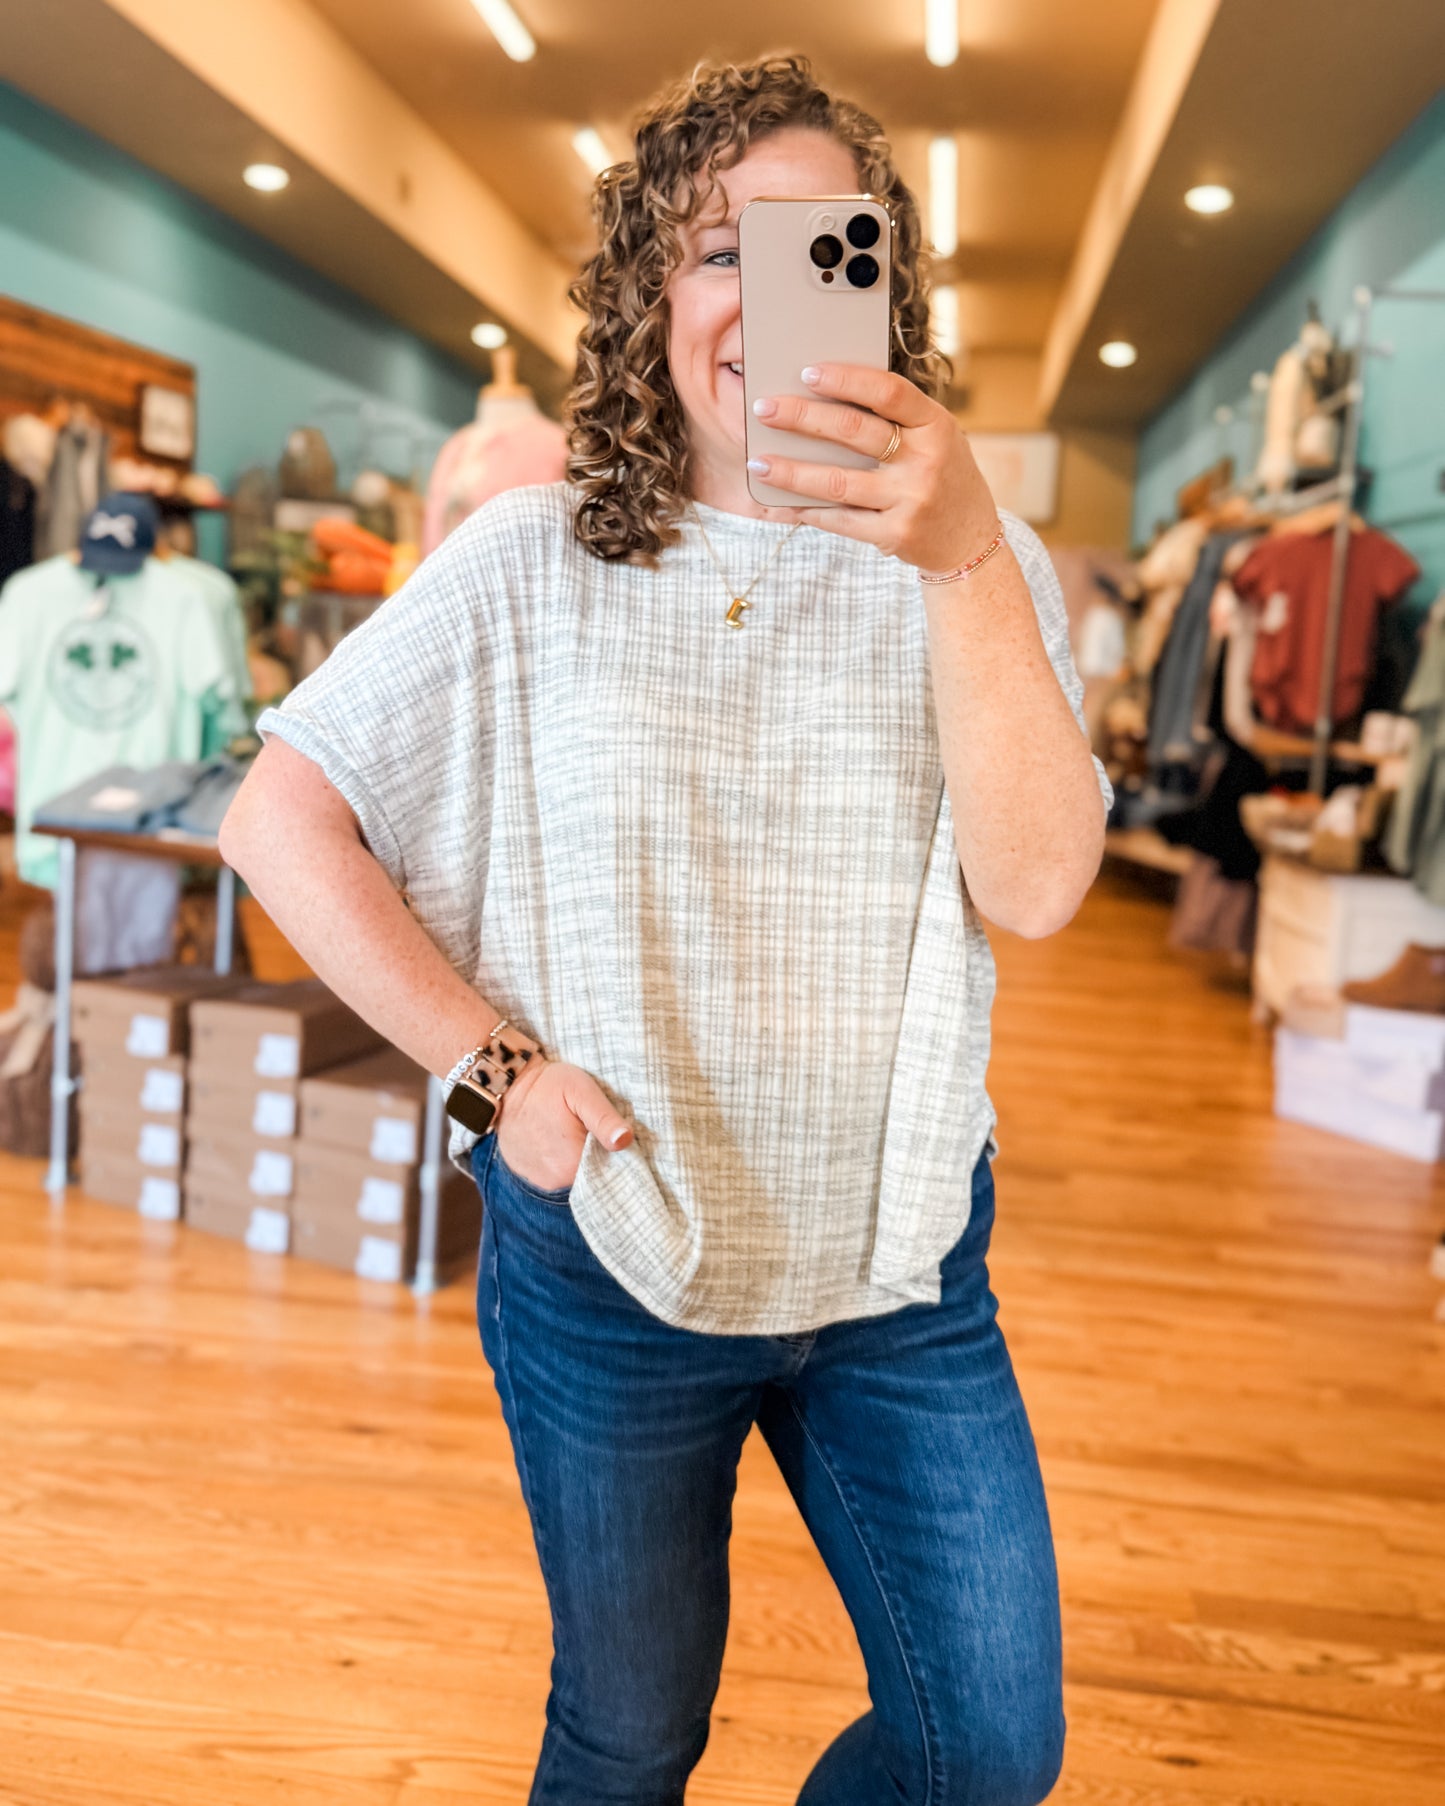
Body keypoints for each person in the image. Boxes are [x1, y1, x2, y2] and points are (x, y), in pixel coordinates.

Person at [219, 52, 1111, 1806]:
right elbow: (281, 817)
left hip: (899, 1254)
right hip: (610, 1241)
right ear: (648, 294)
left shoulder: (980, 561)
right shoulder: (530, 555)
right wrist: (498, 1074)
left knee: (988, 1743)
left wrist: (959, 558)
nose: (759, 289)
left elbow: (1038, 884)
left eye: (810, 246)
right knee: (629, 1738)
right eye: (715, 247)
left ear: (878, 287)